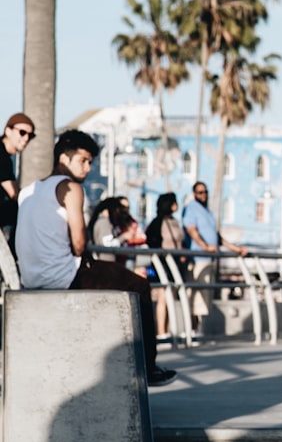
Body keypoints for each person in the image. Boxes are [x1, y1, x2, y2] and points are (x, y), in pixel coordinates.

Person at [15, 130, 175, 385]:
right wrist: (82, 254)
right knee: (140, 285)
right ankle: (148, 367)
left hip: (31, 278)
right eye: (84, 160)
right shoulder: (71, 188)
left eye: (91, 162)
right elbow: (79, 245)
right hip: (64, 276)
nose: (88, 168)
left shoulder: (28, 191)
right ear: (64, 159)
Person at [181, 181, 248, 328]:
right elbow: (192, 231)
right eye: (200, 192)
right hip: (197, 258)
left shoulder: (208, 212)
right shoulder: (191, 208)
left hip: (209, 259)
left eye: (205, 192)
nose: (203, 195)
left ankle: (199, 329)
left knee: (206, 295)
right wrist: (205, 247)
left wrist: (235, 249)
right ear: (194, 194)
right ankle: (192, 330)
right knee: (195, 295)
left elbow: (216, 237)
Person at [145, 192, 184, 339]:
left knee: (171, 295)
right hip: (163, 263)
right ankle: (161, 331)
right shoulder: (158, 222)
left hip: (176, 262)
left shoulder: (175, 221)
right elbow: (150, 240)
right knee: (163, 296)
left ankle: (169, 329)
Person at [0, 112, 35, 243]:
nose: (26, 138)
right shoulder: (1, 154)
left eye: (30, 135)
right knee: (24, 211)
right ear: (8, 131)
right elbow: (13, 193)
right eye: (22, 132)